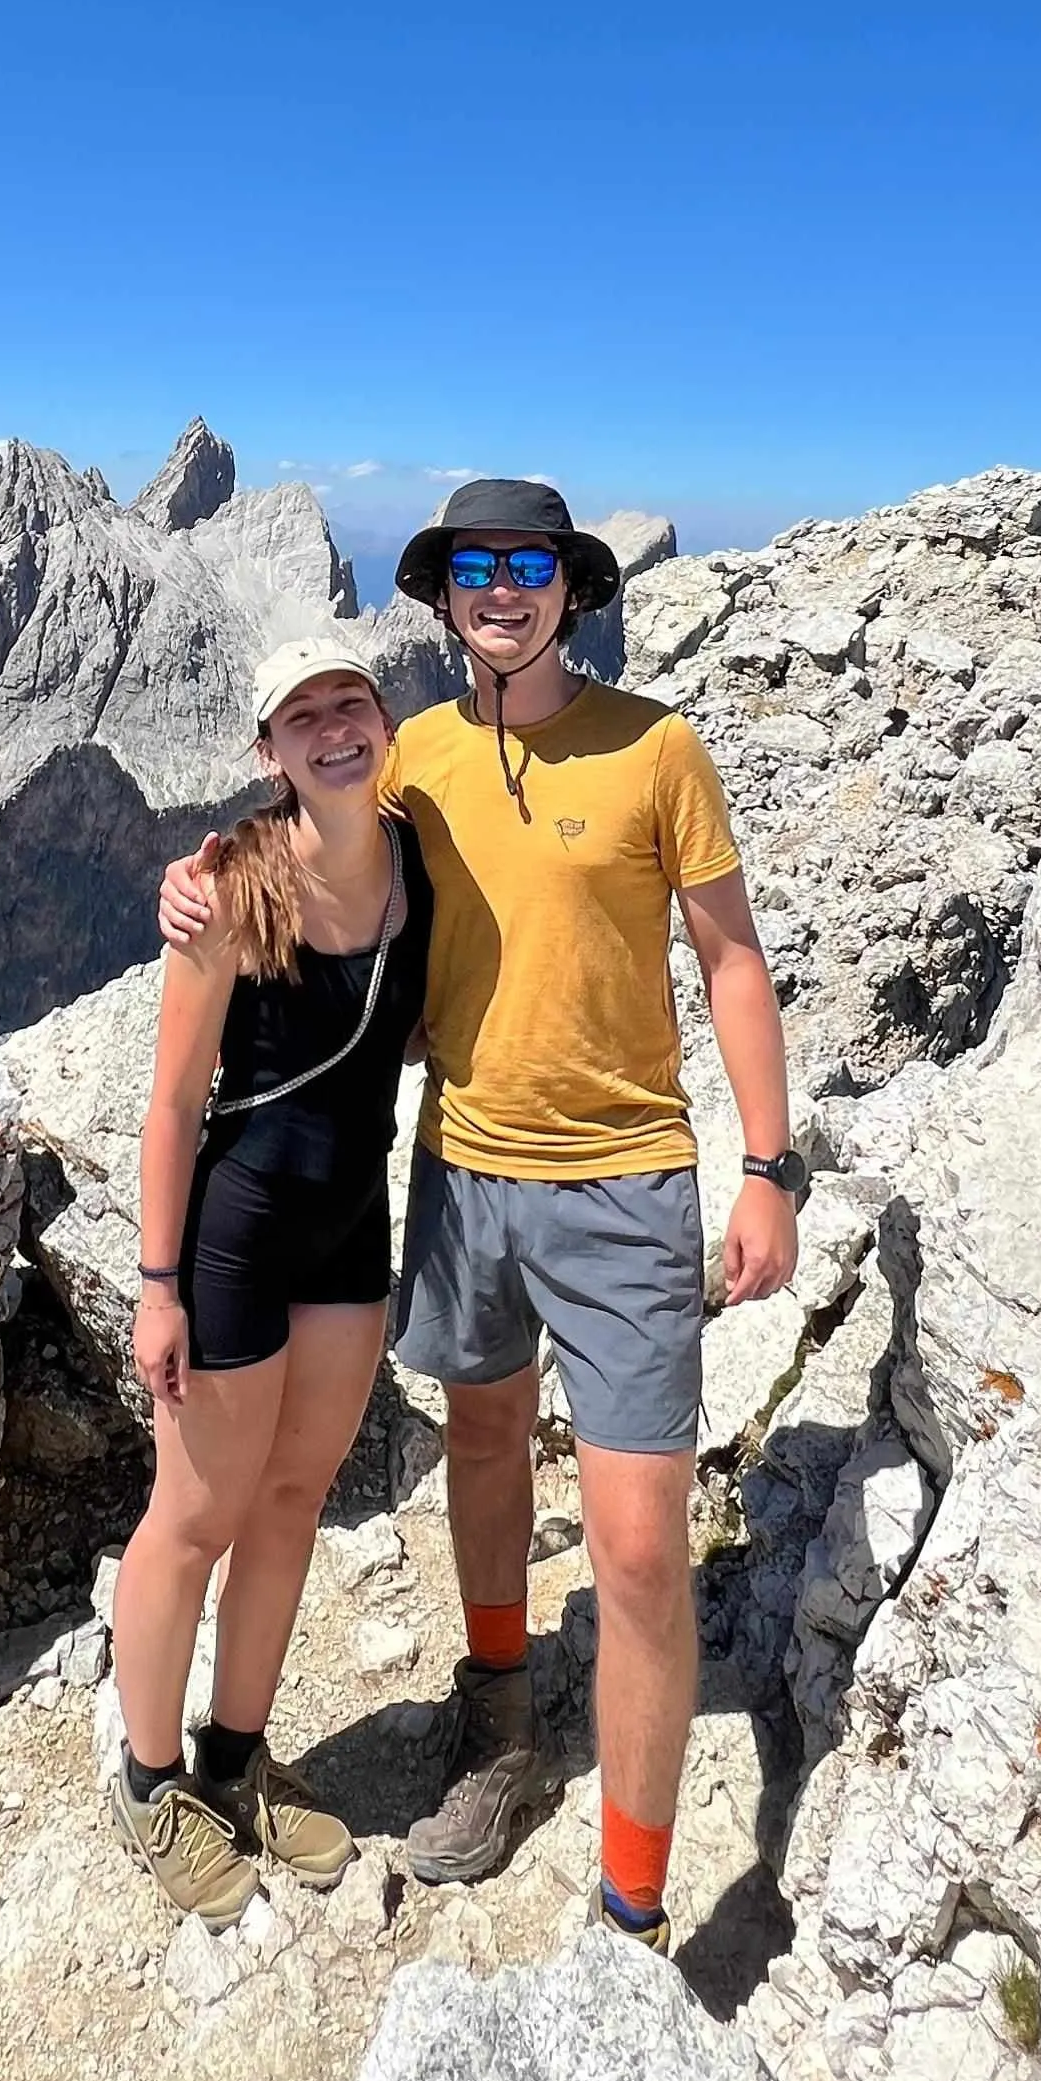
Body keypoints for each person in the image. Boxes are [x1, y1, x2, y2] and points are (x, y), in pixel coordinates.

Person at [163, 477, 800, 1956]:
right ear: (446, 597)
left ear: (569, 589)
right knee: (488, 1451)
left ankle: (632, 1908)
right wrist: (190, 881)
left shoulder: (657, 748)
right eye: (472, 568)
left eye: (527, 566)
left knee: (640, 1551)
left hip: (627, 1183)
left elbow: (732, 963)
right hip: (459, 1169)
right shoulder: (421, 757)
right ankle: (503, 1722)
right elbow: (304, 832)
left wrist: (763, 1167)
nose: (499, 589)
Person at [105, 635, 434, 1924]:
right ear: (271, 752)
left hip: (352, 1228)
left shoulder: (421, 861)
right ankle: (148, 1779)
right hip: (235, 1242)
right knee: (193, 1517)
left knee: (293, 1499)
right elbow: (174, 1102)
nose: (335, 730)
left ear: (381, 718)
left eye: (350, 703)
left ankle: (237, 1759)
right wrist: (156, 1283)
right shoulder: (232, 890)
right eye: (304, 717)